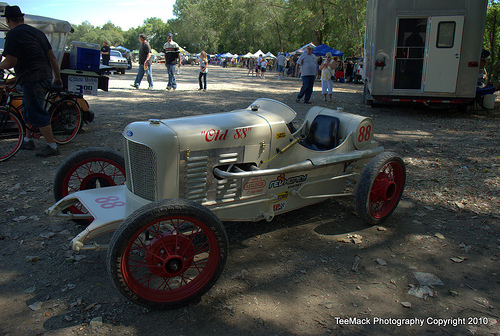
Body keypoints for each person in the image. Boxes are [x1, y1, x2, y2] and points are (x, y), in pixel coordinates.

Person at [0, 5, 62, 157]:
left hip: (33, 78)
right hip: (42, 75)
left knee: (36, 111)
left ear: (8, 20)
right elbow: (52, 57)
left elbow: (10, 62)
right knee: (26, 108)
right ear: (22, 18)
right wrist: (57, 77)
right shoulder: (38, 33)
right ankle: (28, 140)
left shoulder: (13, 34)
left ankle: (52, 146)